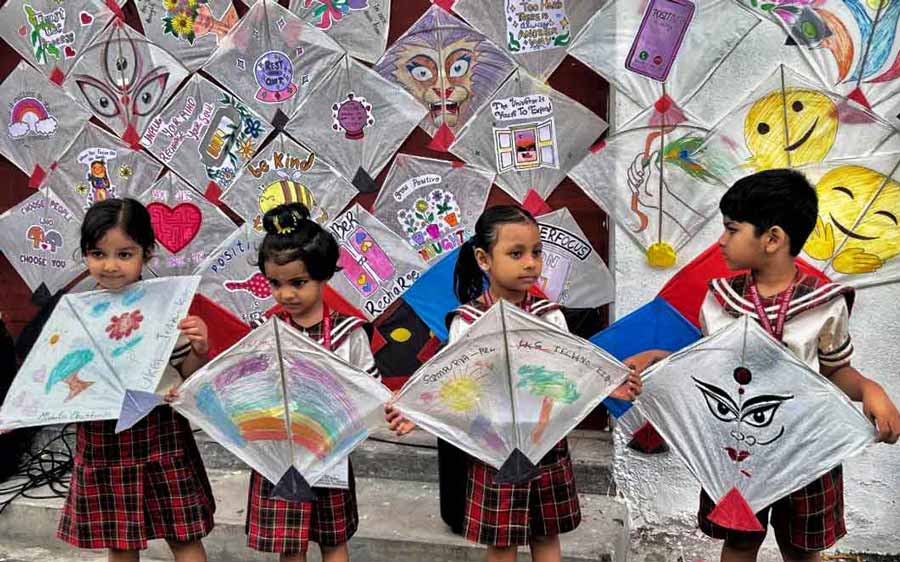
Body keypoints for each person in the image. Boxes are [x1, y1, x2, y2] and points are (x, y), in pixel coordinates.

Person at [628, 169, 900, 562]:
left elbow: (836, 373)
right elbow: (707, 369)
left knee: (801, 548)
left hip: (807, 449)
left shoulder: (824, 304)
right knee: (738, 542)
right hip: (738, 450)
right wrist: (657, 360)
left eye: (732, 229)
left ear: (773, 238)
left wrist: (871, 390)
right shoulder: (720, 300)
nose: (721, 241)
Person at [388, 205, 640, 562]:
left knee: (545, 535)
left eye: (536, 252)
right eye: (516, 253)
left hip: (546, 443)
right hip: (494, 447)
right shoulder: (467, 322)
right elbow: (454, 383)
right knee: (502, 543)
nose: (530, 263)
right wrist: (418, 412)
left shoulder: (549, 316)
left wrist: (607, 386)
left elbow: (571, 372)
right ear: (483, 258)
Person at [57, 198, 215, 562]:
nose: (110, 265)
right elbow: (61, 374)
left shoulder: (166, 306)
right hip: (103, 432)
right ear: (85, 254)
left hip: (158, 430)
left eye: (125, 254)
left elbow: (188, 374)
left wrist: (199, 347)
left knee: (183, 533)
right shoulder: (76, 312)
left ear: (147, 253)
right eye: (98, 253)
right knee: (121, 539)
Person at [245, 202, 390, 562]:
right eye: (275, 284)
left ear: (324, 275)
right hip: (281, 456)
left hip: (330, 452)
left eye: (298, 283)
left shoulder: (348, 334)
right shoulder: (268, 335)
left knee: (333, 540)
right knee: (289, 546)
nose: (286, 294)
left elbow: (372, 390)